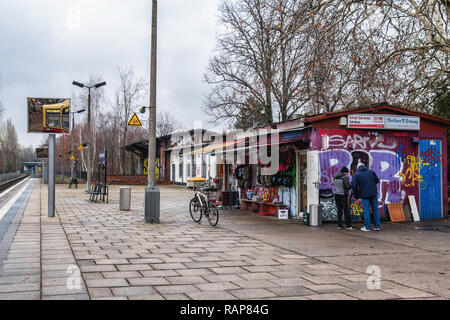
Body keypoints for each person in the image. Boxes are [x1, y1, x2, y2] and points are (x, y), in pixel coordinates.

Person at [351, 162, 381, 232]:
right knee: (375, 210)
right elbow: (377, 181)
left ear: (358, 167)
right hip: (373, 193)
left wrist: (356, 195)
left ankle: (367, 227)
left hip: (364, 195)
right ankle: (377, 227)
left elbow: (354, 186)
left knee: (366, 210)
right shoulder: (371, 172)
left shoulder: (357, 174)